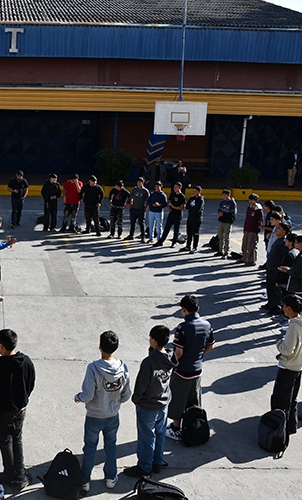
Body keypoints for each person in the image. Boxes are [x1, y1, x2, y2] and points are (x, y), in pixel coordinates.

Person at [74, 331, 131, 492]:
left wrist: (78, 397)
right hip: (113, 415)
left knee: (90, 448)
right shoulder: (123, 367)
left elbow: (88, 395)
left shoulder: (93, 368)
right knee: (111, 446)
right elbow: (126, 395)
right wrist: (114, 402)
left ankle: (85, 481)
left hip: (94, 416)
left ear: (99, 346)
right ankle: (111, 478)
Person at [0, 329, 36, 492]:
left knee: (5, 442)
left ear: (2, 346)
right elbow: (31, 382)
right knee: (17, 439)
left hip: (1, 412)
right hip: (20, 409)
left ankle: (9, 475)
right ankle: (20, 475)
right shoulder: (26, 361)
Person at [124, 325, 177, 478]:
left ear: (153, 340)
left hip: (148, 405)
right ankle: (157, 462)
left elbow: (142, 384)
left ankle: (144, 466)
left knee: (146, 437)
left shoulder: (149, 362)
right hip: (163, 403)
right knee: (160, 433)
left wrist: (137, 399)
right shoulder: (169, 358)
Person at [166, 295, 215, 441]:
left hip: (182, 371)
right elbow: (210, 346)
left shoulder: (182, 328)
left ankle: (175, 428)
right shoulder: (207, 325)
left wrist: (171, 363)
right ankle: (193, 425)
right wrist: (198, 355)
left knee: (178, 400)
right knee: (194, 399)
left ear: (183, 310)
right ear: (198, 309)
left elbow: (179, 352)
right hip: (197, 370)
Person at [271, 294, 302, 446]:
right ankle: (291, 425)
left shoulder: (293, 326)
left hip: (288, 366)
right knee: (292, 398)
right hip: (299, 365)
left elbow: (287, 350)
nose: (282, 308)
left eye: (284, 306)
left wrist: (280, 343)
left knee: (280, 399)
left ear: (289, 308)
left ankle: (278, 429)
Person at [263, 222, 291, 316]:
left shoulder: (283, 242)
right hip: (270, 267)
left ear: (284, 231)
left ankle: (276, 307)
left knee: (275, 289)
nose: (276, 230)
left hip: (276, 269)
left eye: (279, 228)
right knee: (269, 286)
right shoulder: (277, 240)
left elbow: (284, 257)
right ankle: (270, 303)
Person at [153, 182, 185, 247]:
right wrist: (169, 207)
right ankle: (161, 241)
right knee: (167, 228)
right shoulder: (172, 194)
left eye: (176, 187)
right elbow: (169, 201)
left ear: (180, 188)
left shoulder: (182, 196)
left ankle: (174, 242)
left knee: (176, 229)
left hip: (178, 214)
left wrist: (173, 206)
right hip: (171, 213)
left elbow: (182, 207)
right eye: (174, 187)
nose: (175, 188)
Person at [237, 193, 263, 266]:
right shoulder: (249, 208)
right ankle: (245, 258)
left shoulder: (258, 210)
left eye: (252, 200)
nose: (251, 201)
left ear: (256, 200)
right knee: (245, 245)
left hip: (253, 230)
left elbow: (260, 221)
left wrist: (257, 231)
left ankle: (252, 260)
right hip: (247, 229)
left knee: (251, 245)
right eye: (250, 200)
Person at [181, 186, 204, 253]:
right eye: (193, 191)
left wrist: (191, 208)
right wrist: (191, 208)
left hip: (197, 219)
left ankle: (195, 247)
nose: (194, 192)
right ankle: (188, 246)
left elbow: (197, 210)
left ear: (199, 192)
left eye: (195, 191)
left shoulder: (201, 200)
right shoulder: (192, 198)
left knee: (195, 233)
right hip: (190, 218)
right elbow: (187, 206)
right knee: (189, 233)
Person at [215, 189, 237, 259]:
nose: (224, 197)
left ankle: (226, 252)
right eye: (223, 195)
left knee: (226, 237)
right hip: (221, 220)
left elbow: (233, 213)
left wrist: (224, 214)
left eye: (225, 195)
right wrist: (219, 213)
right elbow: (219, 209)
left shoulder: (232, 203)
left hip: (228, 221)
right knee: (220, 236)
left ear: (228, 195)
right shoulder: (222, 202)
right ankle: (220, 250)